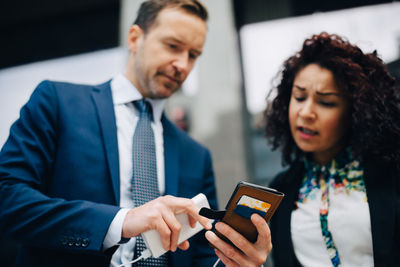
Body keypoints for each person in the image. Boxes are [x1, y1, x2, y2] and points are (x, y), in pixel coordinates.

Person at [0, 0, 271, 266]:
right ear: (134, 38)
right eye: (173, 46)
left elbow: (200, 256)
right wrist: (122, 221)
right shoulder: (58, 102)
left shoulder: (195, 155)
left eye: (193, 54)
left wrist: (236, 262)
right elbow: (7, 197)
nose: (182, 65)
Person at [264, 32, 400, 267]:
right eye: (299, 97)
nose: (306, 112)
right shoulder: (281, 188)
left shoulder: (392, 176)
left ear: (355, 112)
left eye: (326, 102)